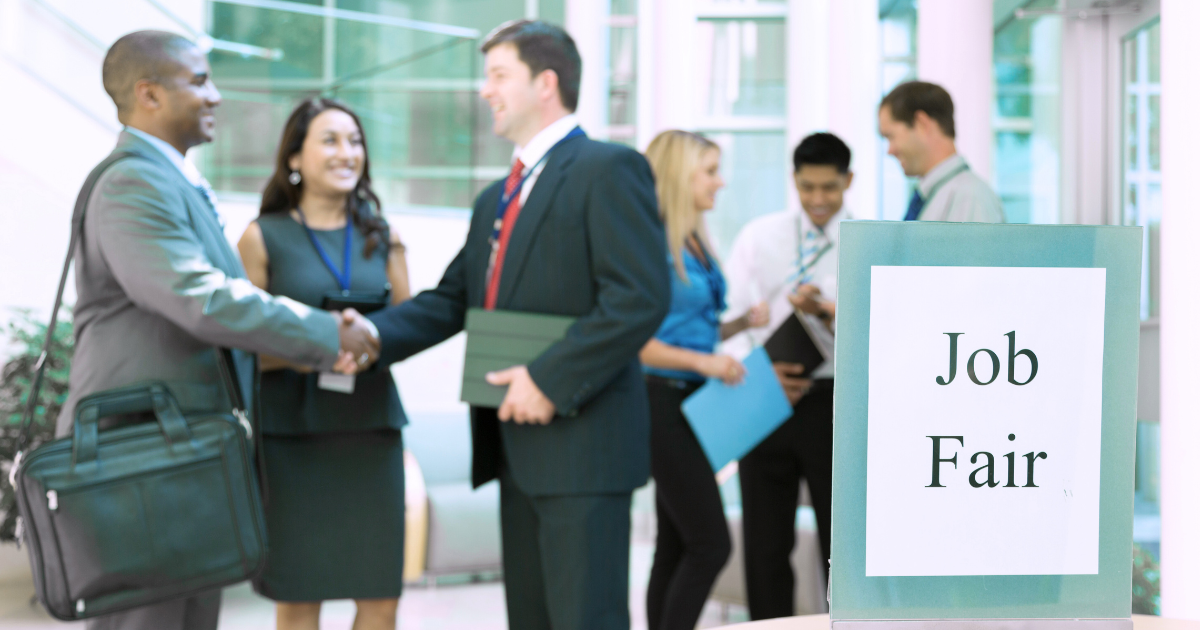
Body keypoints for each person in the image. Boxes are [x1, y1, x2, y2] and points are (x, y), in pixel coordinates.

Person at [58, 31, 379, 630]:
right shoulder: (133, 183)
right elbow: (201, 299)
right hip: (142, 461)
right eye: (200, 81)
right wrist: (325, 332)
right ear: (149, 94)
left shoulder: (170, 178)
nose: (217, 95)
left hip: (178, 454)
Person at [366, 19, 670, 630]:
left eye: (499, 75)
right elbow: (453, 301)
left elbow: (638, 297)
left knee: (586, 620)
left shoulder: (608, 169)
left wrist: (549, 379)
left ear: (546, 83)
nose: (486, 91)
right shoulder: (494, 200)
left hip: (584, 450)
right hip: (514, 446)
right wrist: (365, 337)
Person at [235, 98, 410, 630]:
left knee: (380, 597)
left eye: (355, 141)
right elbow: (238, 345)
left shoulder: (384, 235)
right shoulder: (262, 236)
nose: (347, 152)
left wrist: (374, 343)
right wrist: (317, 346)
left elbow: (407, 330)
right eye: (330, 140)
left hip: (370, 434)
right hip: (294, 441)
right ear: (295, 156)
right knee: (301, 594)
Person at [638, 130, 769, 630]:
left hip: (692, 404)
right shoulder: (650, 245)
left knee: (676, 543)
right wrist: (706, 364)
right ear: (680, 176)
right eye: (710, 171)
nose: (721, 182)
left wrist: (739, 326)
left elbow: (692, 329)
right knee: (711, 543)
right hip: (661, 402)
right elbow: (639, 342)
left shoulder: (692, 239)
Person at [722, 132, 852, 620]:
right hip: (766, 393)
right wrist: (759, 374)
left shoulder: (866, 239)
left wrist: (827, 311)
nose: (818, 200)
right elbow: (729, 317)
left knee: (840, 542)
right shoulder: (760, 236)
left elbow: (883, 323)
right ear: (794, 181)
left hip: (835, 401)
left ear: (848, 181)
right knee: (765, 542)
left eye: (830, 188)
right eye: (808, 187)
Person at [878, 81, 1005, 223]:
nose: (890, 151)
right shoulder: (936, 195)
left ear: (921, 124)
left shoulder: (969, 199)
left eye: (891, 136)